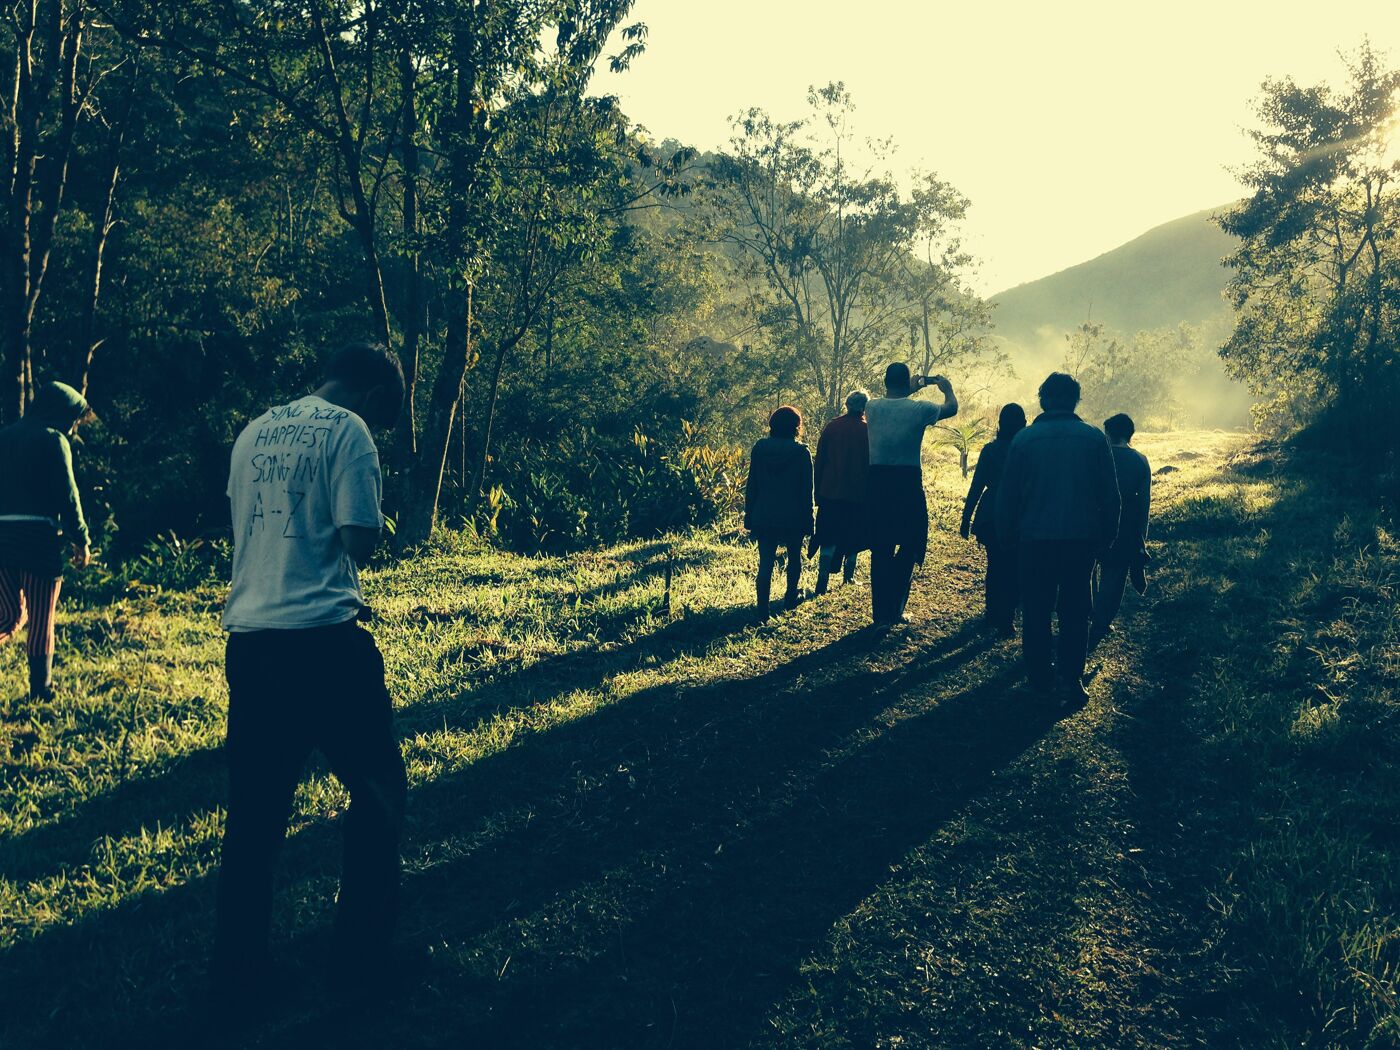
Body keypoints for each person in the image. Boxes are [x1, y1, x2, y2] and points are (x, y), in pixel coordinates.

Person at [213, 342, 407, 1006]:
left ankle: (239, 975)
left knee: (256, 817)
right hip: (324, 644)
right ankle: (360, 961)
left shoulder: (255, 429)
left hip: (252, 644)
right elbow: (359, 538)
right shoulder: (350, 432)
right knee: (378, 792)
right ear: (376, 397)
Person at [996, 373, 1120, 705]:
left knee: (1036, 609)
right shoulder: (1094, 439)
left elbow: (1007, 496)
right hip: (1081, 541)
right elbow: (1111, 496)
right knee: (1076, 610)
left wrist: (1006, 533)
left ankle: (1039, 678)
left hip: (1034, 540)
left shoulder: (1024, 440)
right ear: (1075, 400)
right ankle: (1071, 679)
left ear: (1043, 399)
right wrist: (1107, 537)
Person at [0, 381, 93, 701]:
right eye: (72, 419)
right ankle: (41, 691)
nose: (71, 427)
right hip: (39, 542)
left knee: (9, 616)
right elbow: (68, 496)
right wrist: (81, 539)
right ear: (59, 412)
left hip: (2, 540)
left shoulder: (5, 436)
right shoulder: (54, 440)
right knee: (41, 619)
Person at [864, 364, 958, 626]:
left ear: (885, 381)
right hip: (906, 483)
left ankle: (881, 614)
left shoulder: (871, 407)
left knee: (880, 549)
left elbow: (893, 401)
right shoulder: (921, 409)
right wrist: (947, 389)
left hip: (877, 482)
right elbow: (951, 408)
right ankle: (896, 605)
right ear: (906, 382)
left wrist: (909, 387)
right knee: (910, 543)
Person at [960, 403, 1027, 636]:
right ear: (1023, 424)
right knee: (1015, 566)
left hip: (990, 513)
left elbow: (977, 486)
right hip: (1020, 513)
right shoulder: (1025, 449)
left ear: (1000, 425)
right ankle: (1008, 617)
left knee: (995, 564)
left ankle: (992, 611)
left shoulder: (990, 450)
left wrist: (966, 518)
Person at [743, 405, 814, 621]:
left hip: (764, 512)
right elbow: (806, 490)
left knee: (765, 562)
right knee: (794, 557)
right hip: (793, 514)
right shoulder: (802, 453)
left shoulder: (760, 448)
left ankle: (762, 610)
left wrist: (749, 515)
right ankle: (790, 599)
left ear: (772, 425)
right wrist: (809, 520)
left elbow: (752, 484)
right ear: (796, 427)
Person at [1089, 412, 1151, 650]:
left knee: (1089, 571)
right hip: (1126, 525)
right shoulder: (1140, 460)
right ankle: (1101, 621)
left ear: (1108, 433)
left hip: (1095, 520)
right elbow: (1144, 503)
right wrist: (1141, 537)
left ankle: (1087, 612)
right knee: (1114, 578)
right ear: (1130, 434)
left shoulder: (1098, 456)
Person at [811, 390, 870, 594]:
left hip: (830, 493)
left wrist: (817, 492)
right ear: (864, 407)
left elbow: (819, 462)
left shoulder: (832, 427)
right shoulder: (867, 430)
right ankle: (849, 577)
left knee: (827, 536)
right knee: (852, 536)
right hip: (857, 494)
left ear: (846, 405)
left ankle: (822, 580)